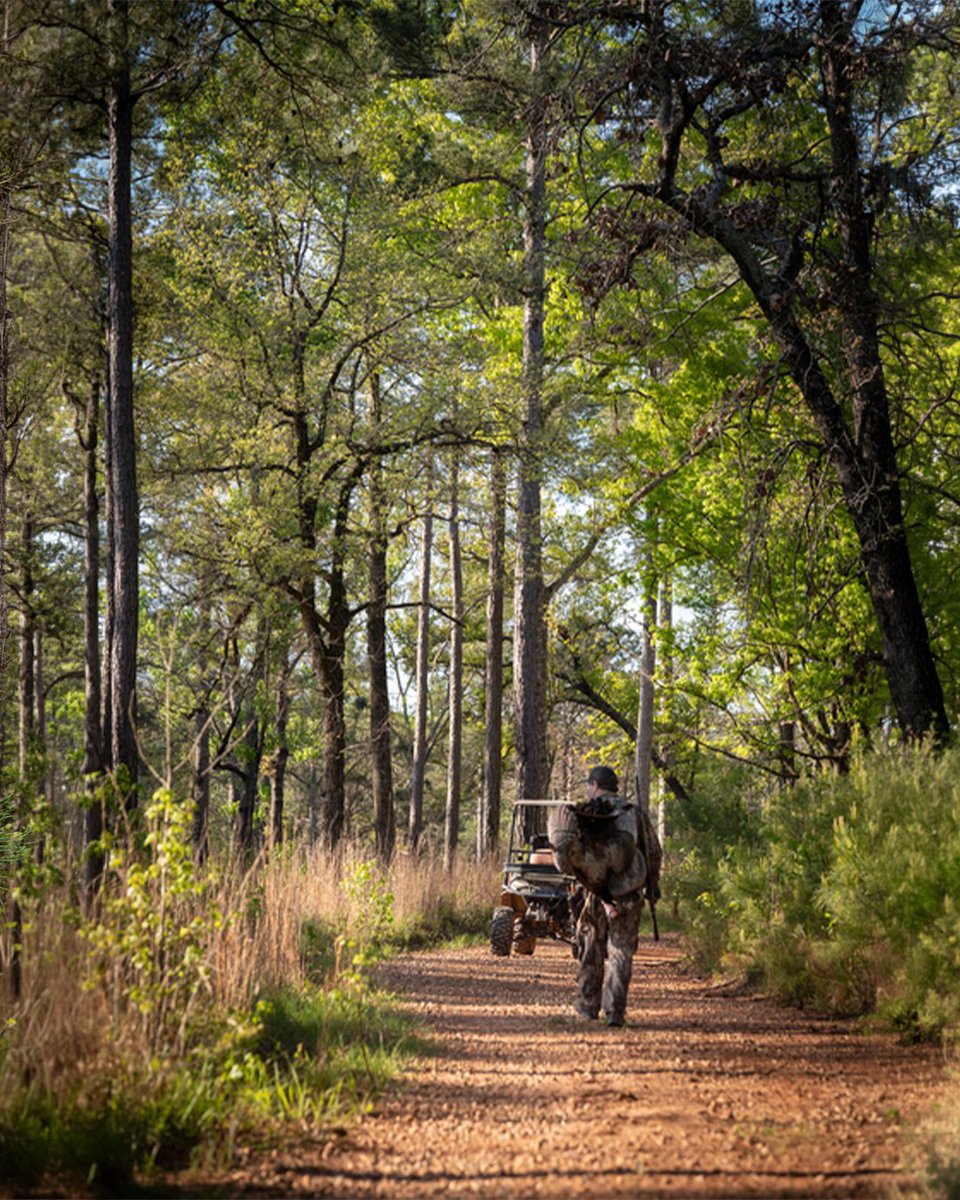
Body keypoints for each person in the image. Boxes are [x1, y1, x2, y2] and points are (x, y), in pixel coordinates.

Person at [567, 765, 646, 1028]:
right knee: (620, 951)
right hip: (628, 894)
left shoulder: (587, 811)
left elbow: (575, 855)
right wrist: (652, 886)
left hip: (593, 894)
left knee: (591, 948)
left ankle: (587, 1007)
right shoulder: (634, 813)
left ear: (595, 785)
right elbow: (652, 852)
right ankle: (614, 1012)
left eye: (589, 785)